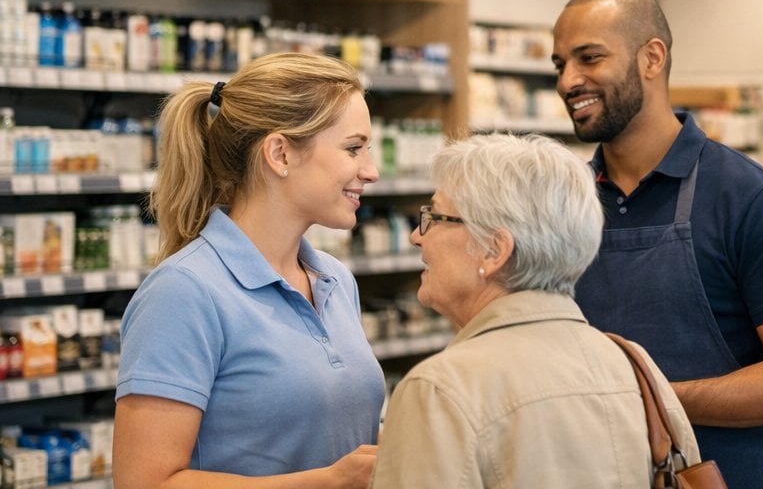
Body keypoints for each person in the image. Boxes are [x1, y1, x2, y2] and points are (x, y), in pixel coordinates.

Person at [553, 0, 763, 489]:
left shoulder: (748, 199)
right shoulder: (562, 204)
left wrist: (656, 402)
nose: (569, 81)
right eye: (560, 65)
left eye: (589, 58)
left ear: (652, 58)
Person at [115, 53, 384, 489]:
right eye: (354, 148)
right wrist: (330, 481)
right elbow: (145, 483)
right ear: (280, 153)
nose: (371, 171)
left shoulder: (335, 280)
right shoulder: (183, 292)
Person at [371, 132, 698, 487]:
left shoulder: (441, 391)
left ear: (494, 251)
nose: (417, 237)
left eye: (433, 216)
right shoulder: (635, 367)